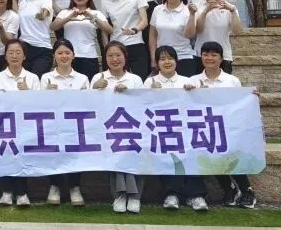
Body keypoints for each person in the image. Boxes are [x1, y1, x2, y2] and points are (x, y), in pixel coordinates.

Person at [189, 41, 257, 208]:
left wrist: (251, 96)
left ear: (221, 58)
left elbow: (241, 102)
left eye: (214, 55)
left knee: (232, 155)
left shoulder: (232, 80)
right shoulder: (193, 81)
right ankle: (229, 188)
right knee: (208, 156)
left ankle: (246, 190)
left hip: (228, 127)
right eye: (205, 54)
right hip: (204, 129)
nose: (209, 58)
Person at [144, 46, 209, 211]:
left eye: (170, 58)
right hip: (162, 131)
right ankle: (171, 194)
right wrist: (152, 94)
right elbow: (143, 108)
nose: (167, 62)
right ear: (157, 63)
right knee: (168, 154)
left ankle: (196, 195)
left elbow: (199, 104)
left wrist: (196, 92)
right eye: (162, 59)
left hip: (187, 130)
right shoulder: (150, 82)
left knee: (193, 153)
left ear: (176, 61)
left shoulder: (188, 81)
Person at [91, 41, 144, 214]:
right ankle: (120, 195)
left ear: (125, 57)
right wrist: (95, 89)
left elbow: (143, 103)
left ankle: (134, 196)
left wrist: (129, 93)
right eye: (110, 56)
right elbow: (89, 105)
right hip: (108, 129)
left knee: (133, 153)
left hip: (133, 129)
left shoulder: (135, 79)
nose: (114, 59)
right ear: (105, 58)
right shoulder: (98, 78)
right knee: (116, 154)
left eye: (118, 55)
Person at [0, 40, 40, 206]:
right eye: (10, 52)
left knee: (21, 157)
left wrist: (27, 92)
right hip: (3, 126)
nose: (14, 56)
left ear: (24, 56)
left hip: (25, 126)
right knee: (5, 156)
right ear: (5, 56)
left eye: (18, 52)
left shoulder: (33, 78)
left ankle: (22, 193)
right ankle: (6, 191)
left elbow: (40, 105)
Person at [41, 39, 89, 207]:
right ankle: (54, 186)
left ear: (73, 55)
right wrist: (46, 94)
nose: (64, 56)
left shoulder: (82, 78)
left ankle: (74, 187)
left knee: (75, 155)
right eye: (60, 53)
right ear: (54, 55)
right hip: (53, 125)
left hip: (75, 126)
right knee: (54, 154)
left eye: (67, 53)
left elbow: (88, 103)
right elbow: (38, 104)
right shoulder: (46, 78)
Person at [100, 0, 150, 80]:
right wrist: (106, 47)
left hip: (135, 44)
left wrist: (134, 30)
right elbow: (104, 28)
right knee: (116, 82)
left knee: (139, 81)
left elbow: (144, 21)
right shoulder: (106, 1)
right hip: (116, 47)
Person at [51, 0, 110, 80]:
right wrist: (69, 17)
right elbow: (53, 26)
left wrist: (92, 17)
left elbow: (109, 30)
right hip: (68, 57)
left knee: (88, 86)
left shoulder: (96, 13)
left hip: (89, 56)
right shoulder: (65, 12)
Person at [194, 0, 243, 73]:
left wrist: (232, 11)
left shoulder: (230, 7)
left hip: (223, 55)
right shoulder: (197, 6)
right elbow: (197, 30)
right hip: (201, 55)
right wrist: (205, 11)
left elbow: (237, 31)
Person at [149, 0, 198, 77]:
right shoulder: (157, 10)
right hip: (163, 59)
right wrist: (153, 58)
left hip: (183, 57)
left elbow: (190, 35)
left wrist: (192, 15)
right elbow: (153, 36)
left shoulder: (188, 11)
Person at [16, 0, 54, 77]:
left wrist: (42, 15)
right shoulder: (22, 4)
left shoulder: (46, 0)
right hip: (24, 48)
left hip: (42, 49)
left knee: (36, 80)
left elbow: (45, 12)